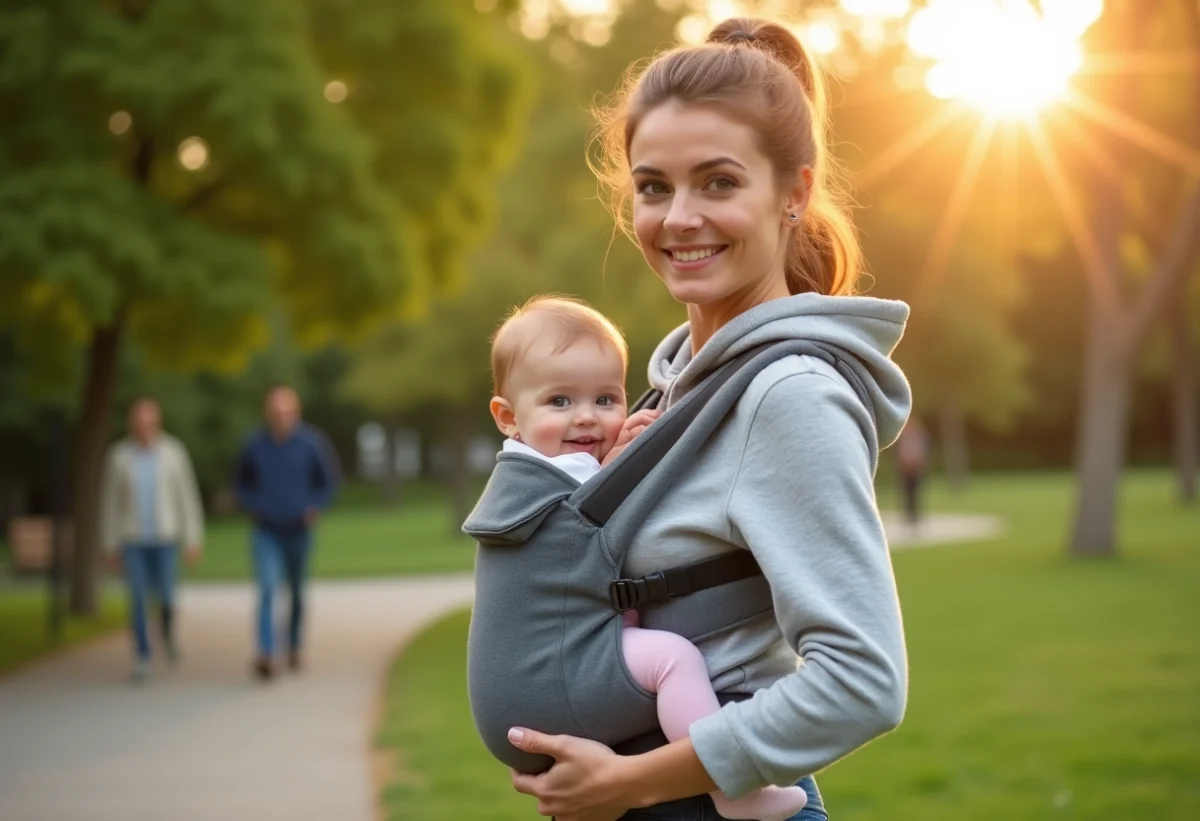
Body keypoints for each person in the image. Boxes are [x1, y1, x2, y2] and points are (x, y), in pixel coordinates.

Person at [504, 17, 913, 821]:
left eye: (718, 183)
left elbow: (864, 680)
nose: (679, 217)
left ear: (794, 193)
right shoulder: (670, 394)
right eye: (654, 186)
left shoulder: (786, 394)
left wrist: (630, 783)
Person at [486, 294, 810, 821]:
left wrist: (613, 461)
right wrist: (617, 464)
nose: (586, 418)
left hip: (558, 660)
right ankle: (732, 791)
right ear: (507, 416)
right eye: (560, 402)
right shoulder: (541, 477)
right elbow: (586, 517)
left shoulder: (530, 473)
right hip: (564, 661)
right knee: (673, 659)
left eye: (607, 399)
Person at [235, 385, 341, 680]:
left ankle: (294, 646)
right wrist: (254, 505)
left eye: (286, 411)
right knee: (267, 589)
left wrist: (315, 507)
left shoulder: (311, 443)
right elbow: (242, 484)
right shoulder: (255, 445)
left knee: (295, 593)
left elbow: (328, 482)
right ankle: (266, 654)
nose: (281, 416)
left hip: (299, 529)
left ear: (295, 412)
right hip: (266, 530)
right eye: (275, 411)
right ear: (268, 414)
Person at [101, 398, 204, 682]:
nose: (144, 427)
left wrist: (192, 537)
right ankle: (143, 656)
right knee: (137, 600)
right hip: (132, 539)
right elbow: (110, 502)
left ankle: (168, 633)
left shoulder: (173, 452)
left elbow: (187, 497)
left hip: (165, 538)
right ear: (132, 424)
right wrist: (109, 544)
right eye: (139, 422)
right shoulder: (119, 456)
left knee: (167, 597)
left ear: (157, 423)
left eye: (149, 422)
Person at [896, 417, 931, 527]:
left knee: (916, 491)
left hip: (916, 467)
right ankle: (908, 514)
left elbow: (922, 453)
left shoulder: (919, 438)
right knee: (907, 492)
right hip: (906, 468)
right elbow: (901, 453)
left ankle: (915, 514)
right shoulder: (904, 438)